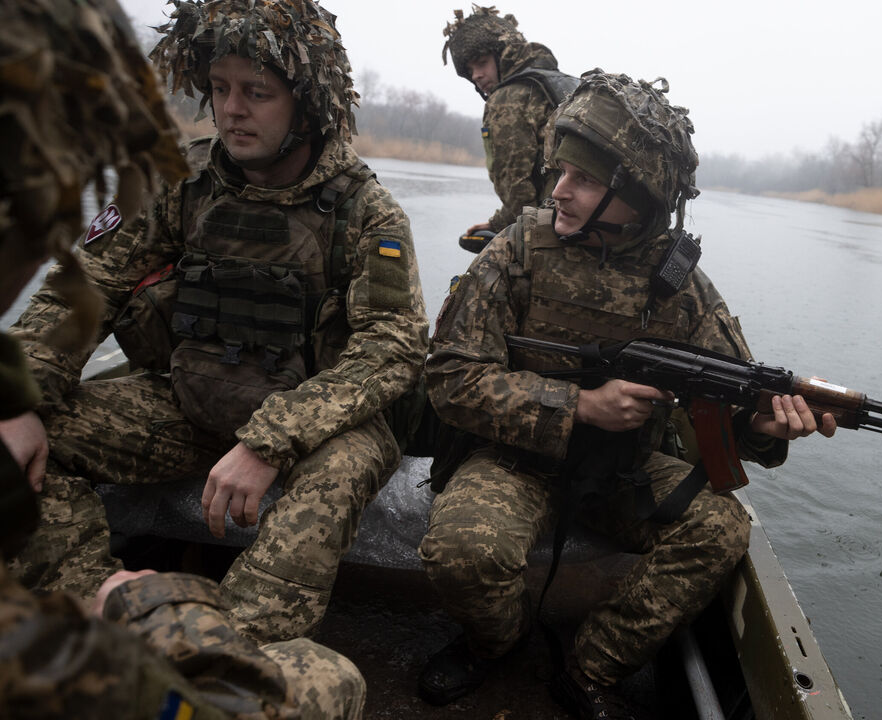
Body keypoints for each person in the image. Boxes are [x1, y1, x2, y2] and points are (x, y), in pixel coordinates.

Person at [5, 0, 429, 644]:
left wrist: (270, 441)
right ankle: (104, 609)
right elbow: (88, 281)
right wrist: (23, 396)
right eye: (221, 89)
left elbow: (393, 347)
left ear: (306, 103)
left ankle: (227, 655)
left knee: (332, 484)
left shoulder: (366, 212)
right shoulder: (182, 182)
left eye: (256, 92)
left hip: (320, 429)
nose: (232, 109)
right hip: (196, 400)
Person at [418, 70, 838, 718]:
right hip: (516, 457)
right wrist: (578, 406)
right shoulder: (519, 251)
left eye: (583, 179)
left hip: (621, 471)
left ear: (636, 194)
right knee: (461, 552)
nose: (559, 189)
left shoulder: (681, 285)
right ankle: (494, 644)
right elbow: (448, 378)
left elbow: (737, 395)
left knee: (721, 529)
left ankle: (589, 668)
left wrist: (766, 427)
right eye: (561, 171)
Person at [442, 5, 579, 239]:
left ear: (502, 54)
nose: (476, 75)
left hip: (553, 226)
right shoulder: (562, 83)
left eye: (482, 62)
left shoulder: (505, 99)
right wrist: (499, 221)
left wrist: (513, 230)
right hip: (585, 219)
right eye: (470, 69)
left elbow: (515, 184)